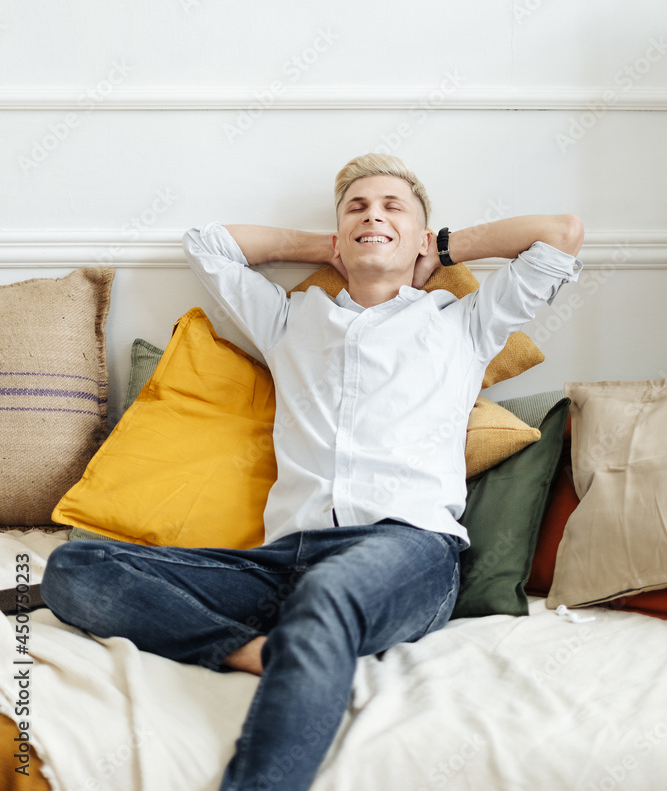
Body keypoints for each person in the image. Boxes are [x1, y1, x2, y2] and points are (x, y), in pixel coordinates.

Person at [41, 153, 584, 791]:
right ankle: (260, 651)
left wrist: (437, 247)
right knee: (74, 569)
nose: (373, 216)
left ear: (419, 235)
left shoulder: (463, 323)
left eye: (392, 208)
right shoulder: (290, 319)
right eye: (357, 208)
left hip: (406, 551)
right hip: (285, 560)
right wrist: (332, 246)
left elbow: (562, 233)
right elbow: (208, 244)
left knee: (326, 598)